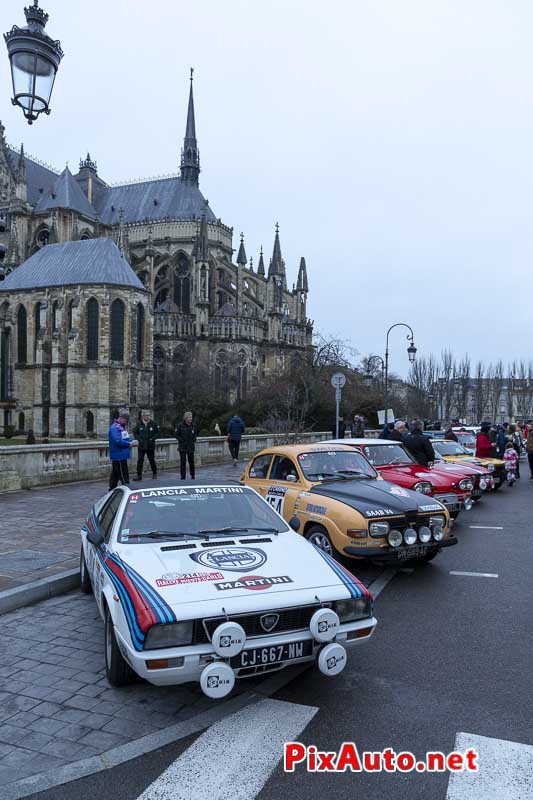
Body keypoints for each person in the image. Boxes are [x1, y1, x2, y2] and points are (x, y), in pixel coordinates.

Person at [108, 411, 132, 490]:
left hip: (121, 454)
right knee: (123, 474)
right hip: (119, 455)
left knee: (115, 474)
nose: (126, 422)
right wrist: (129, 444)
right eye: (126, 421)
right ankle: (128, 488)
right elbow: (117, 441)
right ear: (122, 418)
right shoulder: (115, 427)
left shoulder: (120, 426)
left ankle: (111, 488)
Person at [133, 410, 160, 481]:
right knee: (140, 460)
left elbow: (157, 433)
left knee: (151, 460)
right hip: (141, 446)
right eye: (146, 415)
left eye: (148, 415)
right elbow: (135, 433)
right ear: (143, 416)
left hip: (150, 445)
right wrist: (139, 439)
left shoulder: (153, 424)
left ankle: (154, 473)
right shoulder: (139, 424)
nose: (147, 417)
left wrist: (152, 439)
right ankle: (139, 475)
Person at [175, 411, 198, 480]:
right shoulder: (180, 425)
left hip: (191, 447)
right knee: (183, 462)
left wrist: (194, 440)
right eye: (189, 417)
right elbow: (176, 435)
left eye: (191, 417)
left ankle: (193, 475)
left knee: (191, 462)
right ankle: (183, 477)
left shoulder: (193, 426)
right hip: (182, 447)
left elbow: (195, 434)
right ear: (185, 418)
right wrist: (182, 440)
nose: (191, 419)